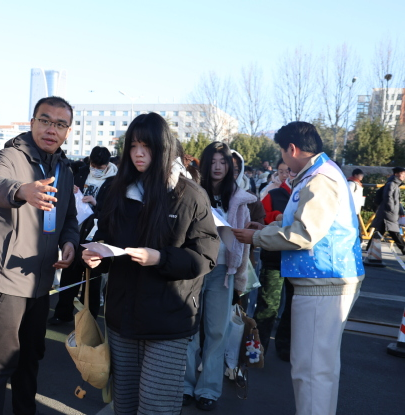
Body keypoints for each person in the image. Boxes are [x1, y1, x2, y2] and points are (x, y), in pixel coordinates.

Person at [82, 113, 218, 415]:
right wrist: (97, 256)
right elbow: (106, 238)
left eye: (146, 146)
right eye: (133, 146)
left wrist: (160, 258)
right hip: (122, 317)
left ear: (163, 148)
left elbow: (205, 257)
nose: (139, 153)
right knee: (125, 404)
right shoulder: (117, 189)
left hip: (168, 320)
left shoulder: (190, 195)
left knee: (156, 407)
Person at [232, 121, 364, 415]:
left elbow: (305, 233)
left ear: (291, 149)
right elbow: (302, 223)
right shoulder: (318, 174)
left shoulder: (319, 179)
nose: (282, 157)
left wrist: (257, 237)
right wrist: (266, 228)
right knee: (319, 368)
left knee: (311, 369)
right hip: (325, 279)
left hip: (324, 281)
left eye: (282, 151)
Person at [0, 96, 79, 415]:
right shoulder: (11, 155)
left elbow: (69, 217)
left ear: (68, 131)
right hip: (5, 279)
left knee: (30, 360)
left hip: (41, 280)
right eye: (45, 121)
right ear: (32, 123)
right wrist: (21, 191)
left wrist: (70, 242)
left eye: (60, 124)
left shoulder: (65, 168)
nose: (51, 129)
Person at [183, 141, 255, 412]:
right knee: (189, 330)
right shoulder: (193, 191)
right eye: (212, 162)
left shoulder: (238, 197)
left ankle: (208, 390)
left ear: (230, 166)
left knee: (217, 331)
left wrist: (240, 278)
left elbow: (244, 244)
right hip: (194, 268)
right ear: (204, 164)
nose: (217, 167)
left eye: (222, 162)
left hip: (223, 272)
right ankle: (185, 385)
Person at [50, 146, 116, 325]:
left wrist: (96, 203)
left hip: (97, 234)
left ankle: (89, 321)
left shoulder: (115, 181)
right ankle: (62, 314)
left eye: (100, 167)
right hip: (76, 231)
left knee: (92, 281)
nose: (96, 169)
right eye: (93, 165)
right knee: (69, 275)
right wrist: (71, 191)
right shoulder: (81, 172)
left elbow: (114, 210)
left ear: (107, 164)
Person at [255, 159, 294, 358]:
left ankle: (285, 347)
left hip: (298, 259)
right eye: (284, 171)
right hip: (274, 257)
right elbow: (260, 218)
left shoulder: (309, 194)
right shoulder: (273, 194)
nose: (287, 174)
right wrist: (277, 216)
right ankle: (257, 349)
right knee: (268, 305)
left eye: (290, 171)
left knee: (294, 307)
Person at [367, 167, 405, 255]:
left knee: (379, 233)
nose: (404, 176)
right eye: (402, 174)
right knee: (395, 234)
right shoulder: (391, 184)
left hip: (387, 213)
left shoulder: (395, 184)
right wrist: (392, 209)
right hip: (388, 214)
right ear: (396, 174)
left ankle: (369, 249)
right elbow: (388, 197)